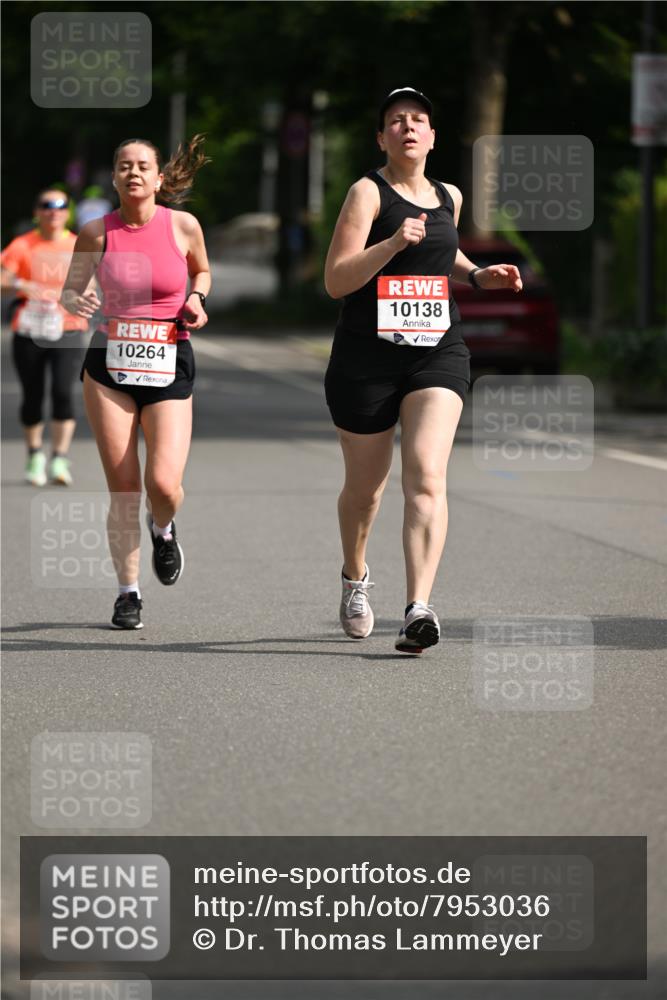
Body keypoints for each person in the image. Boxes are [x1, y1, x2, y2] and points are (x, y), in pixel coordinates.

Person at [324, 88, 522, 654]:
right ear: (382, 137)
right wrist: (390, 242)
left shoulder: (448, 196)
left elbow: (443, 253)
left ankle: (418, 609)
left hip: (438, 351)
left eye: (418, 120)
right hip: (367, 358)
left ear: (432, 136)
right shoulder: (367, 193)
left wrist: (479, 275)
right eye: (395, 121)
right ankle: (356, 578)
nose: (408, 127)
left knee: (426, 478)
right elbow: (337, 280)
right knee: (365, 492)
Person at [61, 135, 211, 630]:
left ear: (159, 178)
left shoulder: (183, 226)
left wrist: (197, 299)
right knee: (124, 487)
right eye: (124, 166)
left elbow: (202, 272)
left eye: (143, 166)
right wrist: (76, 302)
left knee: (163, 484)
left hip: (168, 357)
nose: (134, 173)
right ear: (114, 176)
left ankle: (163, 528)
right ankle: (128, 593)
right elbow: (71, 291)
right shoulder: (95, 232)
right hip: (109, 362)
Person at [1, 189, 88, 486]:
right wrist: (22, 284)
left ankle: (60, 459)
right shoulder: (23, 245)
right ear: (37, 212)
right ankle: (35, 454)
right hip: (30, 331)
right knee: (33, 396)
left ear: (68, 212)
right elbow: (2, 278)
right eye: (46, 206)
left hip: (68, 329)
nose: (54, 211)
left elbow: (95, 284)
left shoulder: (79, 244)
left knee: (64, 393)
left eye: (61, 206)